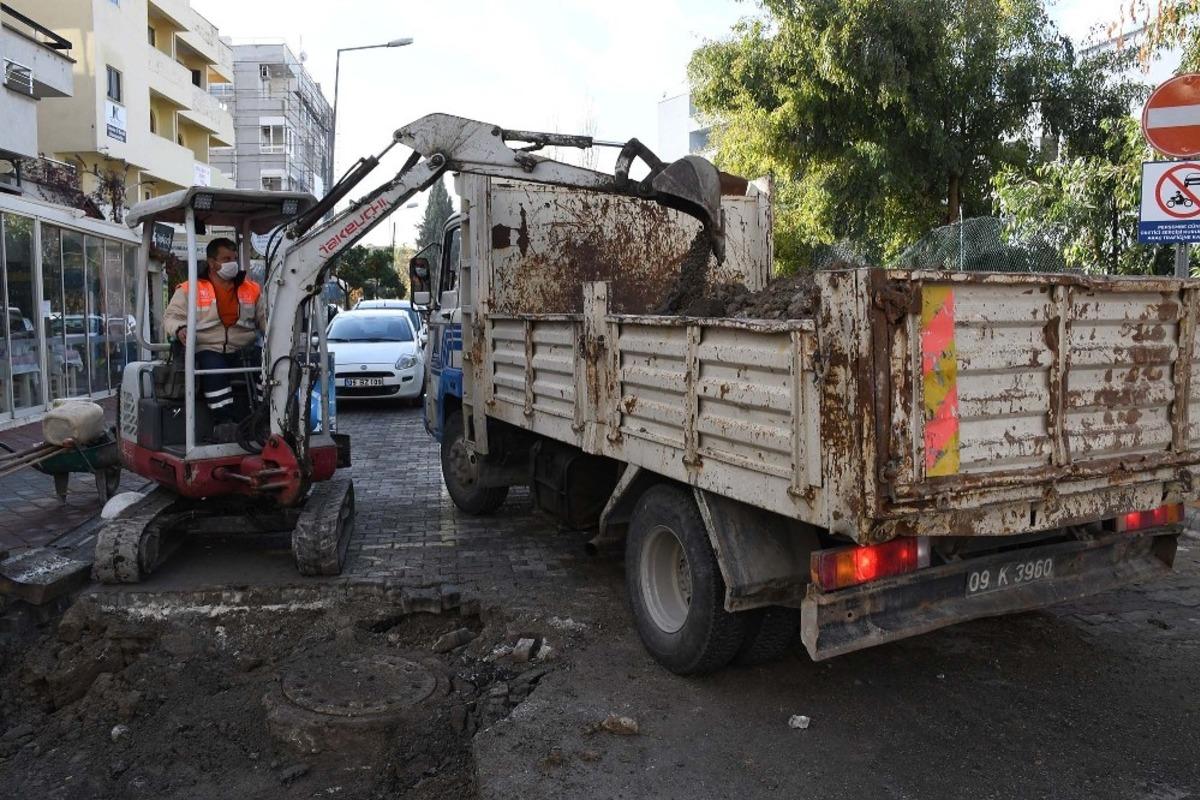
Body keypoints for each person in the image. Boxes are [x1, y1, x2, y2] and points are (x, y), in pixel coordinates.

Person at [162, 237, 265, 441]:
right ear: (211, 262)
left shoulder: (251, 289)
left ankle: (264, 416)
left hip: (243, 347)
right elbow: (171, 317)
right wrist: (180, 328)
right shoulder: (189, 289)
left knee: (268, 366)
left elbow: (265, 318)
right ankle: (225, 423)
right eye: (226, 258)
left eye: (234, 258)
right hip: (208, 346)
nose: (232, 263)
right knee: (214, 368)